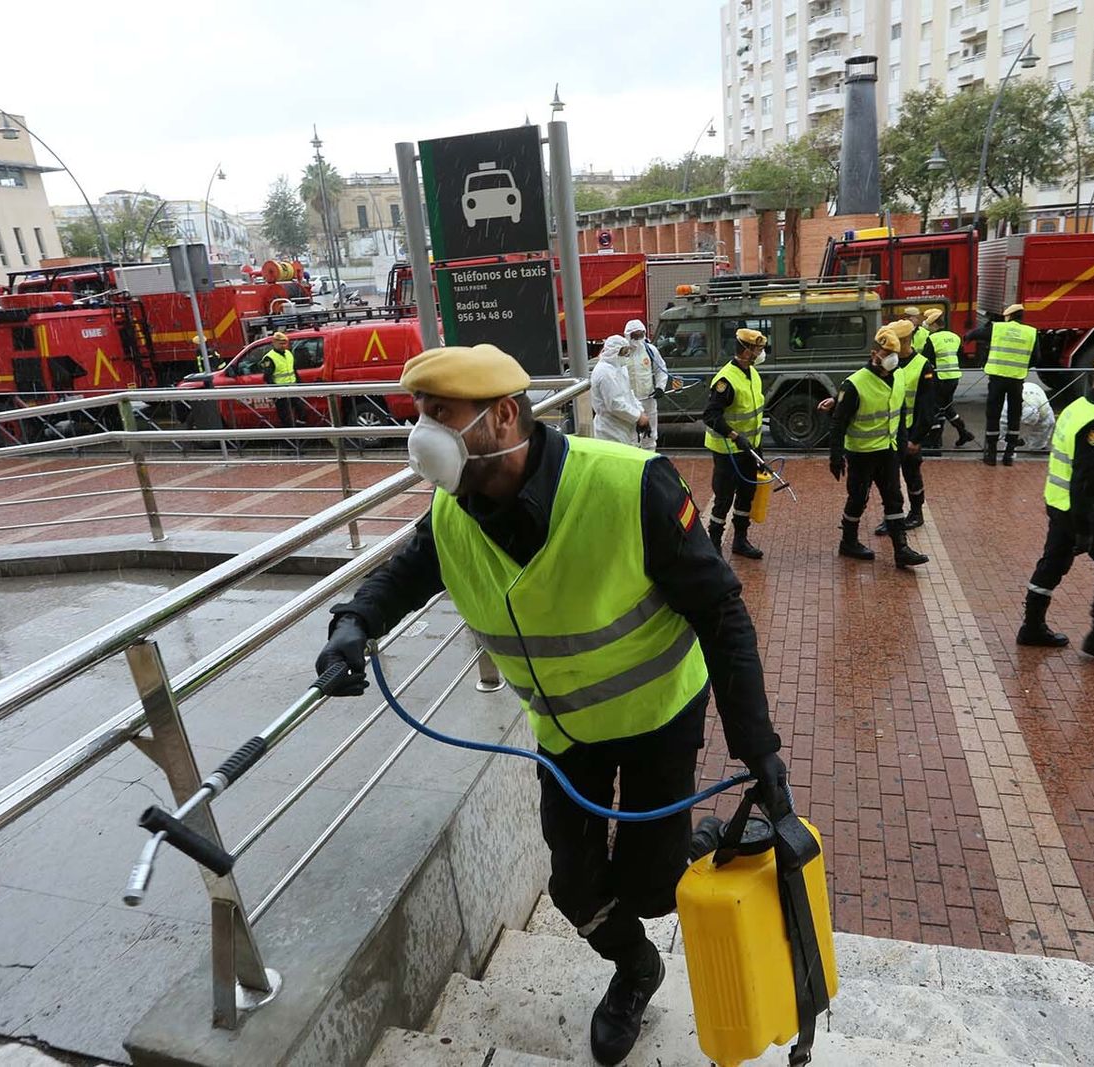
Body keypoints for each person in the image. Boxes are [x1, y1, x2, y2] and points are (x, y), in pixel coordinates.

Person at [313, 344, 791, 1065]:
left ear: (504, 416)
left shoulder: (630, 485)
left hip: (658, 714)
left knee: (653, 886)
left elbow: (721, 612)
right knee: (573, 885)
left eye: (441, 415)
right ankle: (636, 969)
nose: (423, 433)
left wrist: (760, 751)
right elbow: (405, 572)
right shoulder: (453, 513)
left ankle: (684, 845)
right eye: (420, 415)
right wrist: (353, 624)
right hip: (566, 733)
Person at [1018, 353, 1094, 667]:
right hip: (1091, 512)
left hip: (1060, 505)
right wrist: (1086, 531)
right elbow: (1086, 482)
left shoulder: (1079, 407)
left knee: (1053, 563)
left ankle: (1032, 626)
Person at [827, 326, 928, 568]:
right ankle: (848, 542)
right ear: (875, 353)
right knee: (858, 498)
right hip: (862, 453)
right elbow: (838, 423)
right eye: (886, 352)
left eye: (894, 352)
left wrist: (902, 444)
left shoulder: (899, 375)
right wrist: (836, 457)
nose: (891, 357)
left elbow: (900, 411)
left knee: (894, 499)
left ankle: (901, 549)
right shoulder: (855, 384)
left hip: (889, 450)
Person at [702, 328, 768, 560]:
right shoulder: (725, 380)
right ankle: (714, 544)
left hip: (749, 449)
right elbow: (711, 416)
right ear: (746, 350)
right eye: (758, 349)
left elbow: (755, 414)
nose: (761, 353)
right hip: (727, 450)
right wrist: (734, 436)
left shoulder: (752, 373)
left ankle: (740, 540)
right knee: (723, 499)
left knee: (747, 494)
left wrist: (758, 450)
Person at [966, 303, 1039, 466]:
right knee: (1014, 415)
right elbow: (1036, 358)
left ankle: (991, 454)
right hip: (1016, 380)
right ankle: (1009, 454)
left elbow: (976, 334)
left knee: (993, 414)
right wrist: (1020, 365)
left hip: (997, 379)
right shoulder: (1031, 332)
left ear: (1009, 316)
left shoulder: (998, 328)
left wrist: (968, 336)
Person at [874, 318, 927, 535]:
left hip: (909, 433)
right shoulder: (889, 363)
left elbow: (927, 406)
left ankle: (916, 512)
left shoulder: (922, 365)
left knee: (912, 474)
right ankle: (892, 517)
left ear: (906, 340)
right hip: (889, 434)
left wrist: (917, 438)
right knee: (890, 480)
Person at [923, 308, 974, 449]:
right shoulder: (955, 337)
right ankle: (963, 433)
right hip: (953, 377)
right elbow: (960, 356)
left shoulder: (932, 339)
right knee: (946, 407)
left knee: (934, 408)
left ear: (934, 324)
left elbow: (926, 360)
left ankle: (934, 441)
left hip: (940, 378)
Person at [590, 335, 649, 446]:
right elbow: (615, 404)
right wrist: (637, 416)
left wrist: (640, 411)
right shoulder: (605, 372)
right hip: (610, 430)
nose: (626, 355)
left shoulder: (619, 368)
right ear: (614, 351)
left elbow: (628, 393)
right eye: (623, 352)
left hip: (622, 427)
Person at [624, 318, 669, 451]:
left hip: (649, 400)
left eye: (640, 334)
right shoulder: (623, 352)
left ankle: (650, 460)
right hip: (630, 402)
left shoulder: (650, 350)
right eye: (634, 335)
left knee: (650, 435)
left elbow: (661, 369)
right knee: (632, 436)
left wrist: (660, 387)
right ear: (627, 335)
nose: (638, 338)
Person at [260, 331, 300, 429]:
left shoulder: (288, 353)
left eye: (284, 343)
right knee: (286, 416)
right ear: (274, 343)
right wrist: (276, 391)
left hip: (293, 388)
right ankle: (291, 437)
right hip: (280, 391)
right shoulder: (269, 358)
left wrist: (300, 384)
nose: (283, 346)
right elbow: (267, 377)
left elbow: (294, 370)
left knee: (301, 411)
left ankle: (302, 432)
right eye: (280, 343)